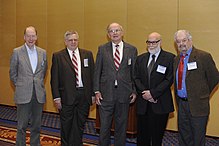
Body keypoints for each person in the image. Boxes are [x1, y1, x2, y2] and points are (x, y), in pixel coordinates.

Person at [93, 22, 137, 146]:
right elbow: (97, 71)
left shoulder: (132, 49)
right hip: (105, 94)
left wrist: (134, 91)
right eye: (111, 31)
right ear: (108, 35)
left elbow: (134, 73)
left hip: (124, 94)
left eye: (117, 30)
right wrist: (96, 91)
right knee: (104, 126)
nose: (115, 33)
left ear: (122, 33)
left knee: (121, 126)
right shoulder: (102, 49)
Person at [173, 30, 219, 146]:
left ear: (190, 40)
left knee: (198, 138)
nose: (181, 44)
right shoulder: (176, 60)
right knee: (184, 136)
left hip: (199, 105)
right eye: (178, 42)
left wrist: (202, 94)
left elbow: (214, 78)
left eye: (184, 40)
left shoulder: (203, 56)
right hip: (182, 105)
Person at [50, 30, 94, 146]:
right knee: (66, 126)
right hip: (66, 97)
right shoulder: (58, 56)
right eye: (70, 40)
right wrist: (56, 97)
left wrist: (93, 94)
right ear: (65, 42)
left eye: (75, 40)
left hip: (84, 96)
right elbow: (54, 79)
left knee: (80, 125)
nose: (73, 42)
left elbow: (92, 75)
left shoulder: (87, 54)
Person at [134, 32, 175, 146]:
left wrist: (153, 94)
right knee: (142, 137)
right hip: (143, 104)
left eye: (154, 42)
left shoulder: (170, 58)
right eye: (149, 42)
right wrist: (145, 93)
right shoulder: (140, 58)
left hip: (160, 103)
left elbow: (169, 79)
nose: (151, 45)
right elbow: (136, 78)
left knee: (157, 137)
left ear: (160, 42)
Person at [9, 26, 47, 146]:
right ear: (24, 37)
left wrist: (37, 84)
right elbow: (12, 73)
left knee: (36, 125)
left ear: (37, 37)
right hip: (23, 94)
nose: (31, 38)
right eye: (28, 36)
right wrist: (21, 86)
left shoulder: (43, 52)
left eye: (33, 36)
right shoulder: (17, 52)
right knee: (22, 126)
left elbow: (43, 72)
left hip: (38, 94)